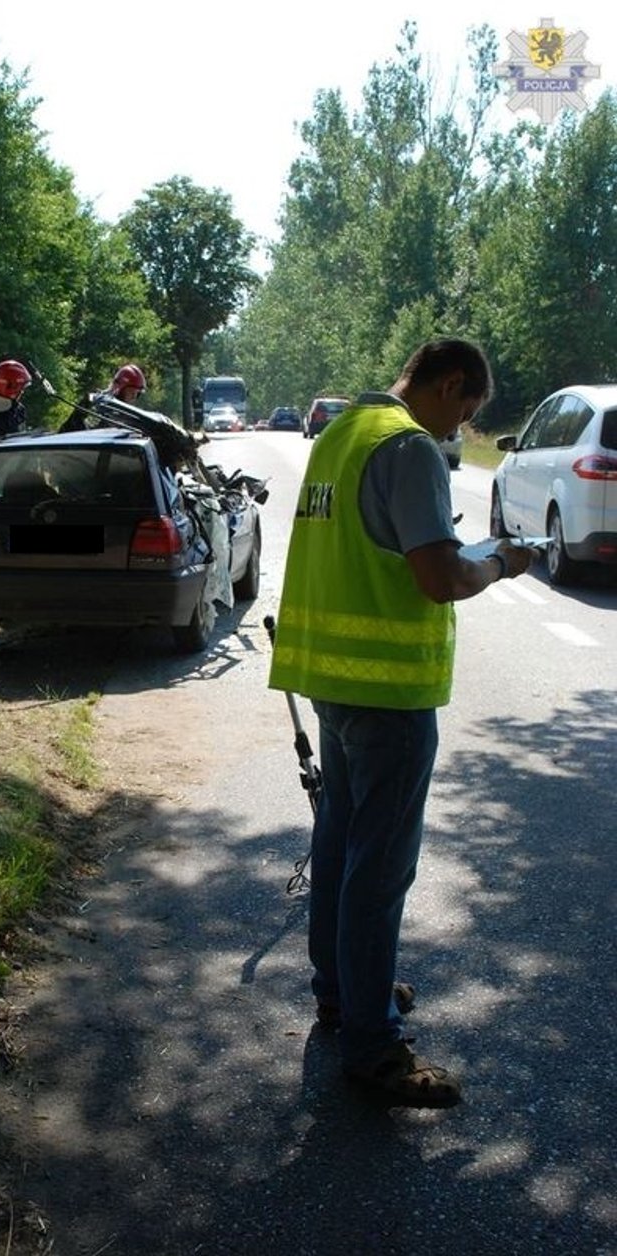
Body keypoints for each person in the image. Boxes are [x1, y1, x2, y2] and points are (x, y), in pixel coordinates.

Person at [269, 337, 536, 1109]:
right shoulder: (410, 448)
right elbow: (441, 575)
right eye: (467, 409)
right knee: (380, 868)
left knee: (341, 842)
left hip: (332, 679)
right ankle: (375, 1047)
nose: (461, 428)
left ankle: (345, 994)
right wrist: (501, 563)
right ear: (449, 384)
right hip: (388, 694)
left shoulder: (341, 433)